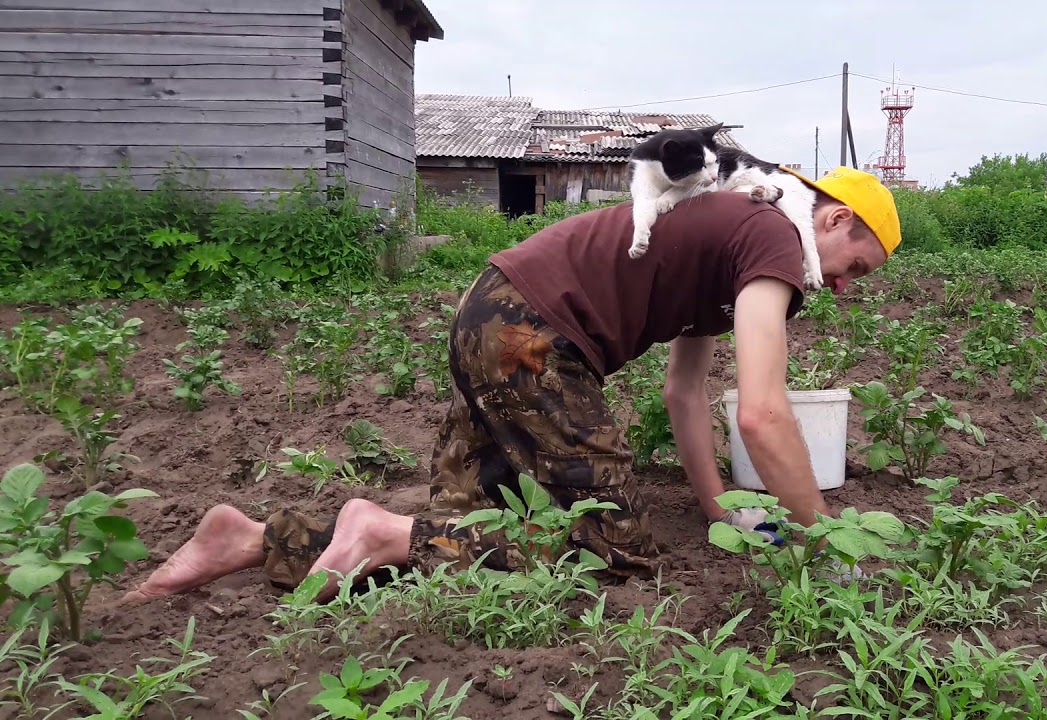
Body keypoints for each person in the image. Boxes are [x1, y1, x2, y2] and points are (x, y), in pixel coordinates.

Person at [121, 166, 900, 604]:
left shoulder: (733, 231)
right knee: (620, 557)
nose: (844, 288)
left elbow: (685, 394)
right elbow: (763, 414)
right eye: (854, 267)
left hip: (489, 315)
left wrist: (712, 501)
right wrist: (828, 538)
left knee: (464, 532)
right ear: (832, 221)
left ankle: (254, 539)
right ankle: (376, 530)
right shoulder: (771, 236)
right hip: (532, 342)